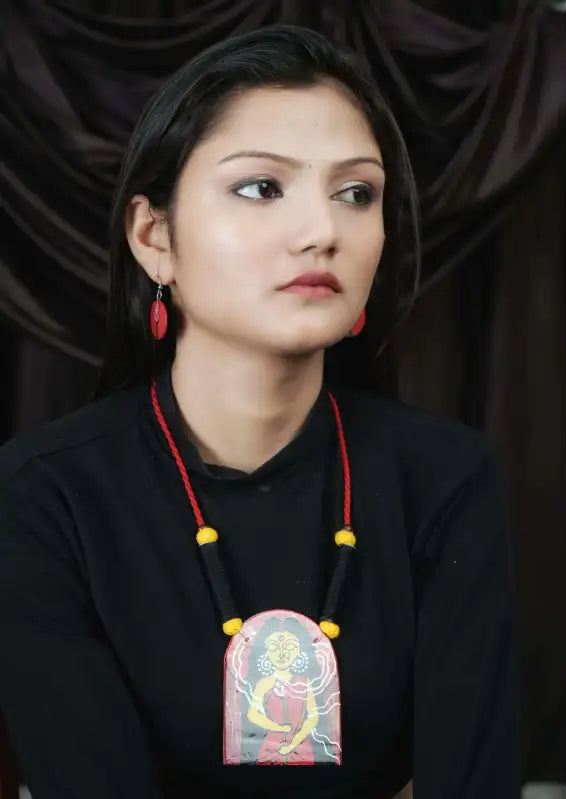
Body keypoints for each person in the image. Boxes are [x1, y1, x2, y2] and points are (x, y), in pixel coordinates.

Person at [0, 24, 521, 799]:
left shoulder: (445, 478)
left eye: (356, 193)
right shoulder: (45, 493)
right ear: (153, 235)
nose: (322, 232)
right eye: (260, 187)